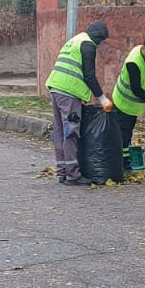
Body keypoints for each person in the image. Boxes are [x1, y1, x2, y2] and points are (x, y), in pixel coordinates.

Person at [45, 20, 109, 185]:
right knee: (71, 132)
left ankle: (62, 172)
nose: (99, 44)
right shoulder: (88, 45)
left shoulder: (75, 40)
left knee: (61, 132)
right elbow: (89, 75)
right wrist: (102, 98)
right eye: (100, 41)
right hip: (68, 92)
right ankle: (73, 175)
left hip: (55, 88)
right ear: (98, 38)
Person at [109, 36, 145, 168]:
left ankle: (123, 162)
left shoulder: (142, 54)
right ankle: (122, 164)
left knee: (126, 133)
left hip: (131, 106)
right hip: (124, 103)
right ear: (144, 48)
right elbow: (136, 89)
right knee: (124, 135)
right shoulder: (133, 62)